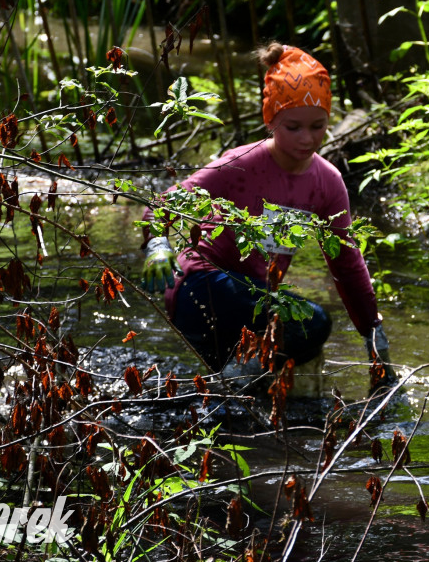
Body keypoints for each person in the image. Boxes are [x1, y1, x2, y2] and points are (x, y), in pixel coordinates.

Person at [139, 43, 395, 391]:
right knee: (312, 322)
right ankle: (228, 387)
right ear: (271, 119)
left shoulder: (327, 182)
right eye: (293, 127)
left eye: (317, 126)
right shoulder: (241, 163)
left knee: (288, 348)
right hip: (200, 286)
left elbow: (347, 264)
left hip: (252, 303)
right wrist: (156, 243)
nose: (307, 139)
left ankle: (225, 389)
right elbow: (165, 202)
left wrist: (373, 334)